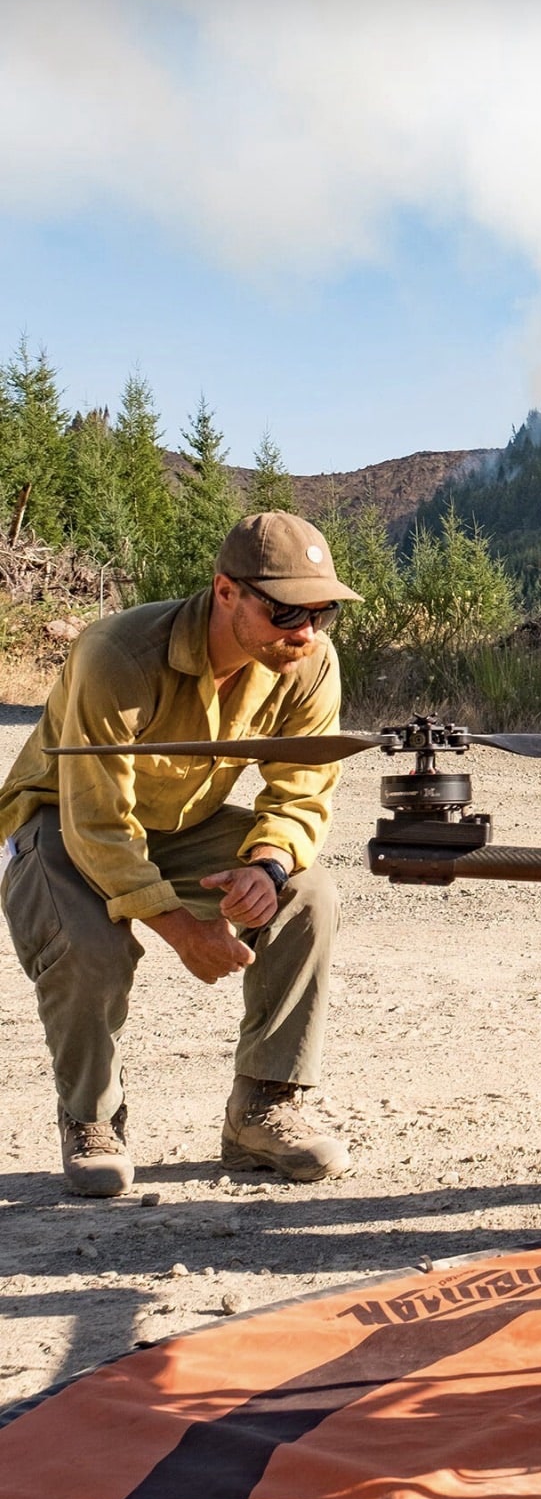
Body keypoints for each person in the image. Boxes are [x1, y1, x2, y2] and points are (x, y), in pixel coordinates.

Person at [0, 512, 361, 1197]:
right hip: (60, 817)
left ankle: (263, 1107)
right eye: (287, 610)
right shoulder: (118, 653)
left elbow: (306, 784)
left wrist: (269, 863)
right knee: (91, 947)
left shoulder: (308, 662)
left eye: (321, 613)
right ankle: (91, 1120)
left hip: (178, 824)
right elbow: (99, 823)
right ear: (227, 592)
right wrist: (182, 928)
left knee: (307, 896)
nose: (306, 631)